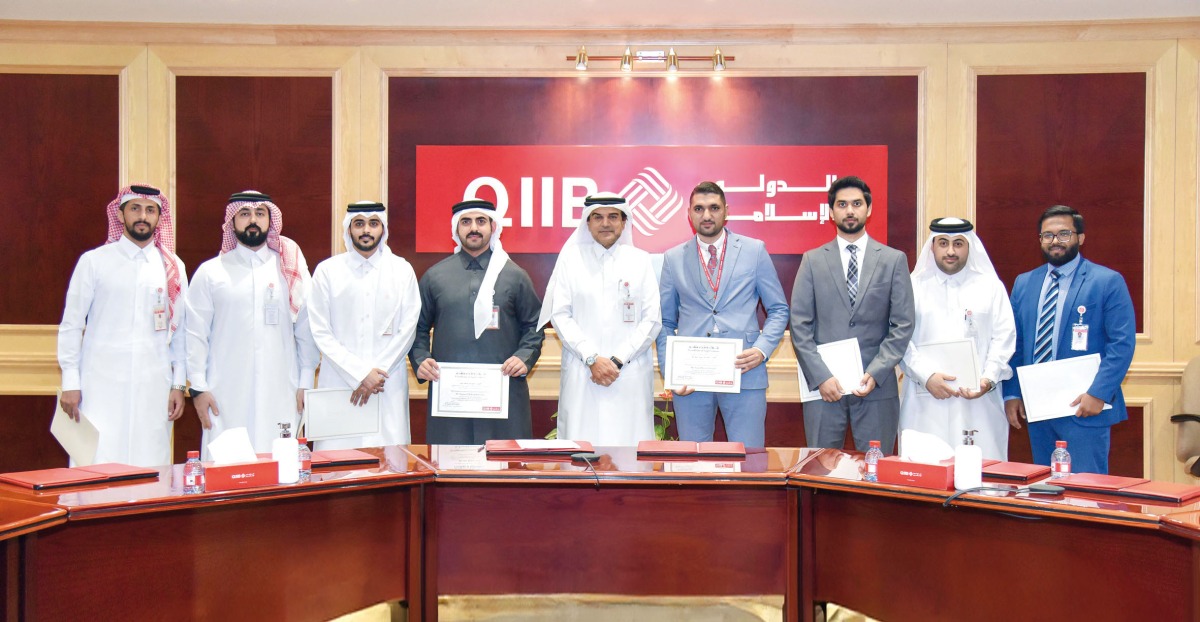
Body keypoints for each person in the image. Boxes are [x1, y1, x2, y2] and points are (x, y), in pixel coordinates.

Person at [57, 184, 188, 466]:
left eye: (150, 210)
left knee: (149, 464)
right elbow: (71, 325)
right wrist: (70, 382)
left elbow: (180, 333)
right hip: (99, 386)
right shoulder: (94, 262)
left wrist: (178, 384)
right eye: (135, 209)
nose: (143, 216)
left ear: (159, 217)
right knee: (96, 461)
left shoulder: (173, 268)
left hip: (153, 387)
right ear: (120, 215)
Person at [656, 181, 789, 448]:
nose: (707, 215)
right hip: (691, 379)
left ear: (726, 211)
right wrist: (672, 371)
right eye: (699, 208)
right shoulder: (673, 258)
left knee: (749, 458)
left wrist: (761, 350)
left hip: (744, 371)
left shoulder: (754, 250)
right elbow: (665, 321)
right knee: (693, 460)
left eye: (714, 208)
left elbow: (778, 309)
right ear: (689, 213)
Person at [1003, 205, 1135, 473]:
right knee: (1044, 486)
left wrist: (1098, 393)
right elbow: (1016, 344)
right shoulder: (1024, 283)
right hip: (1038, 408)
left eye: (1064, 234)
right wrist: (1013, 393)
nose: (1055, 241)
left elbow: (1121, 345)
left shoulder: (1107, 281)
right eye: (1048, 235)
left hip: (1084, 407)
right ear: (1040, 240)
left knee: (1085, 488)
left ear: (1080, 238)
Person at [185, 190, 319, 455]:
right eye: (245, 214)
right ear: (232, 221)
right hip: (225, 393)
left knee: (280, 463)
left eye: (260, 213)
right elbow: (195, 334)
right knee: (228, 467)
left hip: (282, 388)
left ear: (270, 220)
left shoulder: (289, 267)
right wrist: (198, 387)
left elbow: (306, 329)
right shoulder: (211, 272)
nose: (253, 220)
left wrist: (306, 382)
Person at [790, 175, 914, 453]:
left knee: (875, 470)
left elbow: (903, 324)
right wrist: (821, 376)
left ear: (869, 209)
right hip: (824, 388)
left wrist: (877, 371)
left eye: (857, 204)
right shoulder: (812, 260)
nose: (849, 210)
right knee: (821, 469)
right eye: (842, 204)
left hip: (876, 385)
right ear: (831, 212)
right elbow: (799, 325)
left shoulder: (893, 260)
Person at [409, 199, 545, 444]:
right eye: (466, 222)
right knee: (449, 463)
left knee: (504, 463)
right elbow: (417, 328)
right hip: (450, 399)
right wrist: (421, 359)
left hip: (504, 395)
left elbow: (533, 326)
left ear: (493, 226)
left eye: (481, 221)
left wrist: (523, 357)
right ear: (456, 228)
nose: (473, 228)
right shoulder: (434, 276)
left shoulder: (515, 276)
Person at [540, 192, 661, 445]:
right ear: (588, 222)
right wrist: (592, 358)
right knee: (580, 449)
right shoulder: (571, 260)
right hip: (583, 372)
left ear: (624, 222)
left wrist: (617, 360)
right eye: (598, 217)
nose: (606, 223)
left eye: (613, 217)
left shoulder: (640, 261)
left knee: (630, 451)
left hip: (628, 374)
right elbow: (560, 315)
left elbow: (651, 320)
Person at [898, 217, 1016, 460]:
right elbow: (899, 338)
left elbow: (1004, 337)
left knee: (981, 472)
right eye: (943, 243)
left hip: (979, 402)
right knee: (925, 472)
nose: (951, 251)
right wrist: (926, 376)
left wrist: (988, 379)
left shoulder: (990, 286)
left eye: (958, 244)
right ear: (932, 246)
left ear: (969, 246)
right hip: (924, 400)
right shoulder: (913, 286)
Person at [308, 201, 420, 449]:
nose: (366, 230)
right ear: (349, 229)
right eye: (359, 224)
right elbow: (320, 331)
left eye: (373, 223)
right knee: (336, 463)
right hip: (339, 383)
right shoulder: (327, 271)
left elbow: (408, 329)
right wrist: (359, 374)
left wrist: (376, 375)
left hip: (386, 385)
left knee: (389, 462)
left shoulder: (402, 271)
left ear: (383, 228)